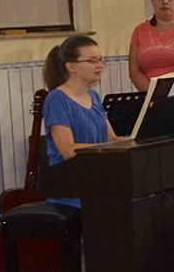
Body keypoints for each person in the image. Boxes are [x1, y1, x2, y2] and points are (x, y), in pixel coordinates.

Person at [42, 36, 123, 208]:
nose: (100, 65)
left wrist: (139, 139)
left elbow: (112, 140)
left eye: (101, 60)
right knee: (121, 202)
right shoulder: (56, 99)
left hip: (95, 175)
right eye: (92, 61)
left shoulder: (93, 96)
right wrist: (105, 148)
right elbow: (68, 150)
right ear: (71, 66)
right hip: (71, 182)